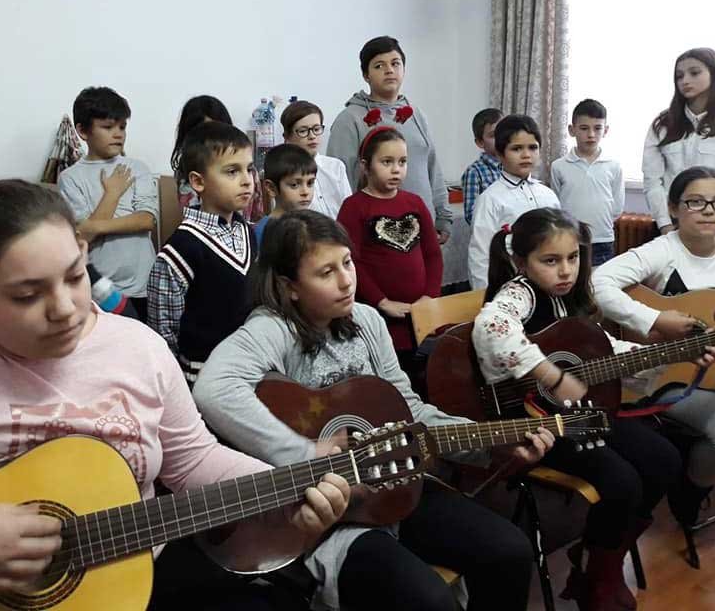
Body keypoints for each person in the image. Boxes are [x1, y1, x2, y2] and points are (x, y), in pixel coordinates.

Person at [0, 179, 349, 611]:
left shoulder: (139, 347)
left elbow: (194, 461)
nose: (66, 308)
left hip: (131, 577)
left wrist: (282, 489)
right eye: (27, 294)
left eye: (74, 276)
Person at [194, 209, 553, 611]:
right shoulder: (273, 328)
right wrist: (306, 453)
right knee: (429, 600)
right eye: (325, 272)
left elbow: (408, 411)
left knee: (509, 552)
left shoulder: (366, 320)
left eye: (347, 262)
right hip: (329, 516)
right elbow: (213, 388)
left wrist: (491, 445)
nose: (347, 280)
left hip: (397, 485)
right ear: (289, 286)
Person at [474, 206, 715, 611]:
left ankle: (597, 563)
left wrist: (674, 354)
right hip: (536, 420)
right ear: (521, 261)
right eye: (550, 261)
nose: (566, 271)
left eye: (572, 258)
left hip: (581, 414)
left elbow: (607, 353)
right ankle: (599, 581)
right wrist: (552, 376)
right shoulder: (518, 292)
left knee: (663, 458)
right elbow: (490, 329)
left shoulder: (570, 298)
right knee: (622, 481)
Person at [593, 166, 715, 527]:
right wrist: (655, 321)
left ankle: (692, 455)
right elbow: (598, 282)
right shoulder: (661, 251)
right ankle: (691, 486)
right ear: (674, 208)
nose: (708, 210)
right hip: (663, 373)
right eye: (696, 201)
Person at [148, 122, 257, 386]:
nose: (247, 180)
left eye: (249, 169)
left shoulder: (248, 232)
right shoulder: (181, 249)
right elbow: (164, 329)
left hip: (250, 369)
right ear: (198, 181)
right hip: (203, 377)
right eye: (232, 171)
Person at [336, 126, 441, 379]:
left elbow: (432, 254)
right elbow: (353, 263)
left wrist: (430, 296)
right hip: (379, 317)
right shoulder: (354, 207)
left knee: (423, 378)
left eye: (402, 162)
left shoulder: (414, 203)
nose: (396, 169)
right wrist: (381, 302)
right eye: (387, 162)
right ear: (365, 165)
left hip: (420, 315)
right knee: (389, 379)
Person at [327, 36, 453, 243]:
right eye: (379, 65)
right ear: (366, 75)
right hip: (375, 232)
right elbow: (340, 181)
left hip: (423, 226)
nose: (389, 70)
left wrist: (443, 217)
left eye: (395, 63)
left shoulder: (416, 114)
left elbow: (432, 168)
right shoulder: (350, 119)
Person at [58, 86, 157, 320]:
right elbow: (82, 238)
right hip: (101, 287)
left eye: (122, 127)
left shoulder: (137, 168)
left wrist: (95, 226)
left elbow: (146, 219)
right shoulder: (70, 178)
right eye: (108, 127)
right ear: (83, 131)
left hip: (145, 284)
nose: (118, 134)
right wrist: (112, 193)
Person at [642, 48, 715, 235]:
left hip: (713, 223)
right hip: (669, 223)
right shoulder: (663, 123)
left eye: (694, 72)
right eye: (679, 76)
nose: (685, 81)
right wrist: (665, 224)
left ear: (714, 74)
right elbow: (652, 181)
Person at [467, 114, 559, 289]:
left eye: (533, 147)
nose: (526, 155)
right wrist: (484, 296)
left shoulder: (548, 195)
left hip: (548, 285)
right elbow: (480, 254)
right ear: (500, 154)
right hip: (509, 288)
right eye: (516, 149)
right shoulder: (490, 198)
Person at [550, 99, 624, 266]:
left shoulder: (613, 166)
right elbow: (556, 205)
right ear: (572, 130)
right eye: (584, 128)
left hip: (603, 239)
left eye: (597, 128)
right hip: (569, 238)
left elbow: (617, 207)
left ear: (605, 130)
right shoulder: (559, 166)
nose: (591, 134)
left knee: (599, 286)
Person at [280, 100, 352, 219]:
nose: (312, 136)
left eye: (316, 129)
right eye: (303, 131)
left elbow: (349, 209)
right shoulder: (284, 171)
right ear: (287, 137)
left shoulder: (336, 166)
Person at [254, 143, 316, 246]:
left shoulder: (313, 224)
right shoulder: (266, 231)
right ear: (271, 188)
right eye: (294, 185)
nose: (305, 192)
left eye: (310, 183)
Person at [460, 107, 503, 225]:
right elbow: (471, 215)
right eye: (493, 135)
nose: (501, 138)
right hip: (490, 237)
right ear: (480, 142)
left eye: (504, 132)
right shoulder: (474, 172)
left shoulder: (512, 167)